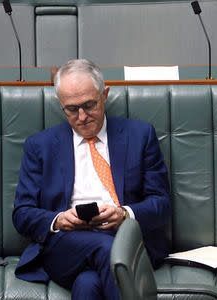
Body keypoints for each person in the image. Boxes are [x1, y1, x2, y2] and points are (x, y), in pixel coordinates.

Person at [12, 59, 172, 299]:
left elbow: (161, 204)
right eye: (71, 109)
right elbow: (22, 213)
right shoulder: (40, 146)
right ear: (60, 104)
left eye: (89, 105)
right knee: (110, 251)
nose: (82, 116)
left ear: (104, 95)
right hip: (67, 244)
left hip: (124, 237)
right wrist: (59, 219)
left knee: (88, 285)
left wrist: (125, 214)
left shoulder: (140, 135)